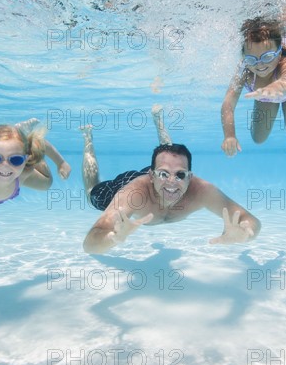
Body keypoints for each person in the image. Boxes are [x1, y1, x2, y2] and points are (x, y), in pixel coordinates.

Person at [80, 105, 261, 254]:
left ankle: (159, 123)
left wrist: (245, 233)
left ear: (190, 177)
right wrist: (112, 239)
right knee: (92, 194)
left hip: (157, 176)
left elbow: (251, 221)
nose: (173, 181)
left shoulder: (201, 191)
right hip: (133, 184)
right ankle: (88, 138)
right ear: (151, 175)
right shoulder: (133, 194)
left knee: (170, 158)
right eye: (165, 174)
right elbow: (89, 244)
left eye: (181, 175)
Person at [221, 17, 286, 154]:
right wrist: (229, 135)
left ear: (279, 52)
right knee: (258, 139)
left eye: (267, 56)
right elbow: (228, 104)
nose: (260, 64)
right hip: (265, 97)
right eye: (251, 59)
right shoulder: (244, 70)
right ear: (244, 57)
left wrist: (274, 89)